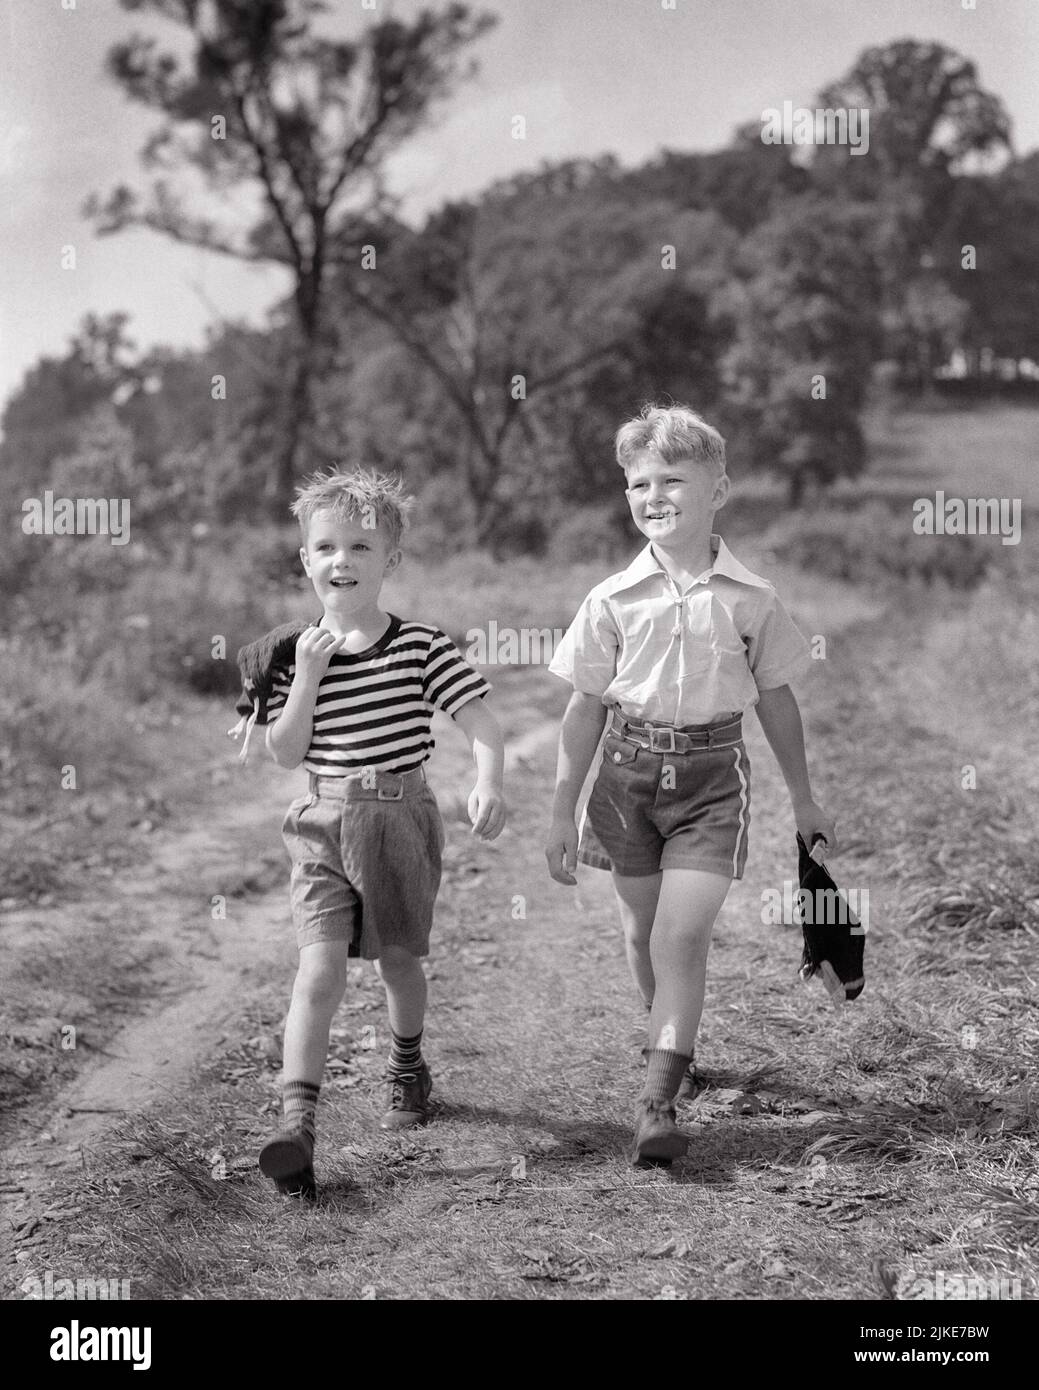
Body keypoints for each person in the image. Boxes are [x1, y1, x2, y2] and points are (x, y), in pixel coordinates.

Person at [544, 405, 836, 1164]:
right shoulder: (609, 598)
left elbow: (775, 697)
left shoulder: (751, 598)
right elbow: (582, 707)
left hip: (710, 779)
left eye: (672, 480)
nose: (653, 496)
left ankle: (656, 1103)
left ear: (719, 490)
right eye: (638, 483)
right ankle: (666, 1040)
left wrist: (803, 799)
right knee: (641, 934)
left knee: (681, 935)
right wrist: (559, 808)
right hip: (625, 777)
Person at [241, 467, 506, 1199]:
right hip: (320, 823)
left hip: (397, 820)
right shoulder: (292, 653)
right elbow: (284, 752)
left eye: (361, 547)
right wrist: (305, 678)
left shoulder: (420, 645)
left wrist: (487, 780)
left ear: (390, 560)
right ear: (305, 558)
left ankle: (407, 1066)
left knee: (396, 962)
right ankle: (298, 1127)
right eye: (325, 546)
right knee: (317, 971)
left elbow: (481, 721)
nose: (341, 561)